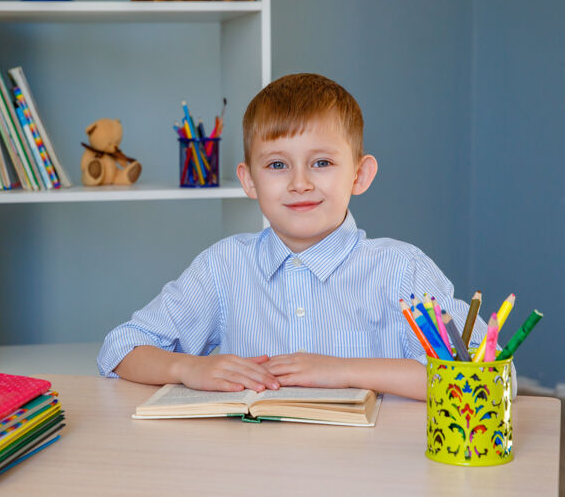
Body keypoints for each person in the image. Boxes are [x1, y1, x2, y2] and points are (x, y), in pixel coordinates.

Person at [97, 73, 513, 401]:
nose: (300, 183)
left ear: (360, 174)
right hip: (250, 470)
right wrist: (188, 368)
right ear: (249, 180)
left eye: (321, 162)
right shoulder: (223, 267)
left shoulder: (401, 272)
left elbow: (487, 376)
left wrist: (343, 371)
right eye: (277, 165)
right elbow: (120, 349)